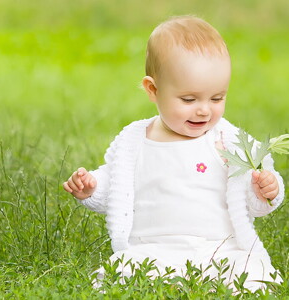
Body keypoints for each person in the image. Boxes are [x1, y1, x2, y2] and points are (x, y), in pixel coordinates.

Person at [63, 15, 285, 291]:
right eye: (189, 99)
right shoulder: (134, 141)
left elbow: (251, 199)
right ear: (153, 89)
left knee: (251, 273)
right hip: (152, 249)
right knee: (124, 273)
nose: (204, 109)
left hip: (219, 248)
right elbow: (116, 184)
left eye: (217, 98)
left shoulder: (229, 141)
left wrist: (267, 189)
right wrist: (91, 188)